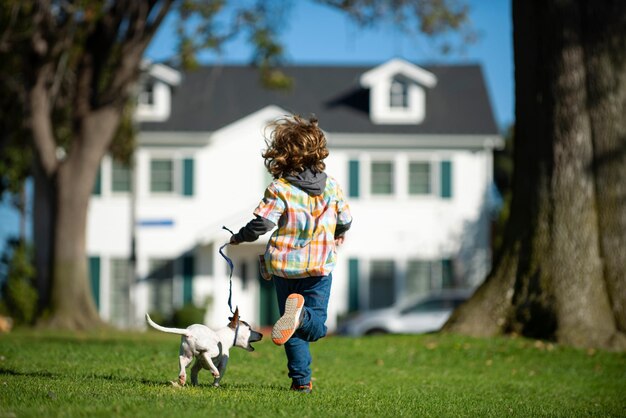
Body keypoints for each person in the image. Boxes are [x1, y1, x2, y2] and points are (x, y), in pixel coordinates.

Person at [229, 114, 352, 393]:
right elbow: (345, 218)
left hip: (284, 267)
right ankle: (300, 319)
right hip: (318, 268)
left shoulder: (279, 189)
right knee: (316, 326)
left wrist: (241, 236)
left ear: (281, 155)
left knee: (292, 328)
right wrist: (339, 232)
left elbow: (263, 223)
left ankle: (301, 383)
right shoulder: (331, 186)